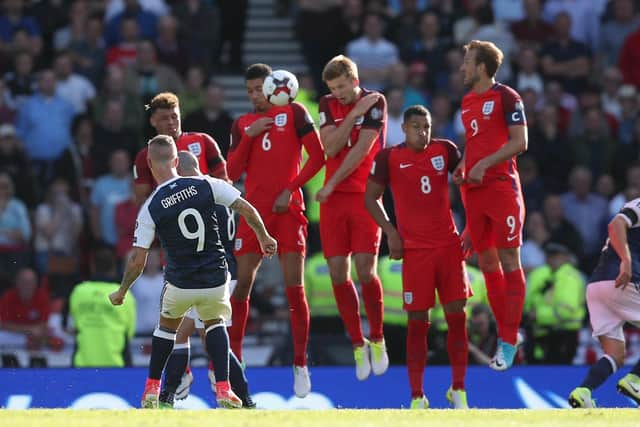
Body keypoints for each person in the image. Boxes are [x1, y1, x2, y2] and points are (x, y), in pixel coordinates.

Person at [109, 135, 277, 409]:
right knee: (215, 324)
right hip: (214, 279)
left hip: (180, 282)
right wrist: (264, 236)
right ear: (176, 160)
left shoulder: (151, 206)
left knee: (167, 328)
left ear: (150, 165)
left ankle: (152, 389)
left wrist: (123, 290)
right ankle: (224, 390)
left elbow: (138, 259)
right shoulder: (208, 185)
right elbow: (246, 208)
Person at [226, 63, 325, 398]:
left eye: (260, 89)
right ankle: (233, 361)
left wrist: (291, 188)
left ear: (273, 87)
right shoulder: (243, 124)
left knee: (294, 289)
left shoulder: (295, 113)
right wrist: (248, 139)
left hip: (288, 211)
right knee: (241, 289)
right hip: (253, 213)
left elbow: (318, 157)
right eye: (250, 91)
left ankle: (300, 363)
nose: (256, 95)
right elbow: (231, 172)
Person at [365, 105, 471, 409]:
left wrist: (472, 226)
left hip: (448, 247)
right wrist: (391, 232)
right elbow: (370, 198)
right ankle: (416, 395)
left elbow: (467, 184)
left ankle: (459, 389)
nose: (422, 132)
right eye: (415, 127)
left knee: (457, 316)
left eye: (426, 126)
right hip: (415, 251)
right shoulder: (389, 157)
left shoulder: (446, 151)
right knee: (417, 322)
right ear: (404, 128)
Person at [453, 40, 528, 371]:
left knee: (509, 258)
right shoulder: (468, 101)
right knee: (486, 262)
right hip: (475, 192)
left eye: (467, 62)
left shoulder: (507, 97)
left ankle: (510, 339)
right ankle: (507, 334)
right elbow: (475, 142)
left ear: (482, 66)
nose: (462, 68)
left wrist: (486, 164)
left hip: (501, 188)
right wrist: (466, 164)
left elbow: (520, 142)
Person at [160, 150, 255, 409]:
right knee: (183, 333)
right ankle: (169, 393)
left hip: (210, 274)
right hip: (221, 271)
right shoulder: (219, 189)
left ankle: (244, 397)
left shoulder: (198, 195)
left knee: (208, 339)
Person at [315, 54, 389, 380]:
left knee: (365, 270)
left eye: (342, 86)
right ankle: (357, 344)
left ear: (354, 79)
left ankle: (377, 337)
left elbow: (362, 149)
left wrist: (331, 182)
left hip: (363, 196)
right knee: (336, 272)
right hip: (333, 202)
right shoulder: (327, 103)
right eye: (333, 88)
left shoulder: (376, 102)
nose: (338, 93)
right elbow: (329, 148)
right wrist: (351, 115)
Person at [568, 199, 640, 408]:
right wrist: (626, 261)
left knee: (615, 355)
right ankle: (635, 379)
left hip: (598, 287)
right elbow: (616, 224)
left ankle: (584, 392)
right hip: (622, 279)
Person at [133, 92, 227, 204]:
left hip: (205, 210)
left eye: (174, 116)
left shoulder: (203, 140)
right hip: (168, 216)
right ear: (153, 121)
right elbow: (141, 198)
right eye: (164, 118)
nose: (171, 122)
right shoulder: (145, 155)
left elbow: (224, 180)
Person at [69, 248, 136, 367]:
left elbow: (75, 325)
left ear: (92, 266)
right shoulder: (124, 294)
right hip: (115, 366)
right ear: (114, 268)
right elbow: (129, 333)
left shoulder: (78, 292)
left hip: (82, 365)